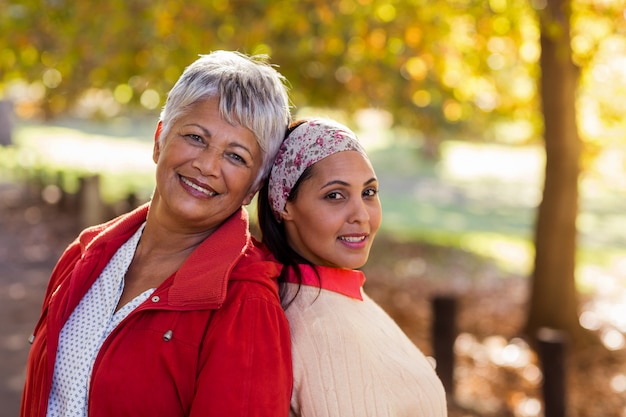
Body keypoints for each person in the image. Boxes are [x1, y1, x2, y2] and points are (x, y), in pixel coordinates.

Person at [21, 50, 293, 417]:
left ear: (252, 187)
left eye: (236, 157)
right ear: (159, 138)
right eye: (196, 137)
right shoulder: (85, 255)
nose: (206, 165)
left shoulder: (245, 304)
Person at [257, 118, 448, 417]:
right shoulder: (322, 331)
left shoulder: (339, 294)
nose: (361, 215)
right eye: (335, 195)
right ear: (283, 206)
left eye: (369, 192)